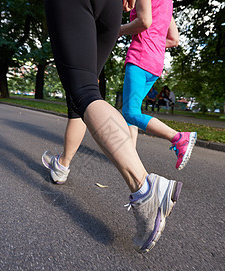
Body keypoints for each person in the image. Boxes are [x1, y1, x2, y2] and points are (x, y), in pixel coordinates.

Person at [42, 0, 183, 253]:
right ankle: (62, 165)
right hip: (112, 8)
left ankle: (145, 188)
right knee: (84, 94)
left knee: (83, 92)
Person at [120, 0, 197, 168]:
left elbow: (144, 22)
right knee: (133, 112)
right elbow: (174, 39)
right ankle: (131, 158)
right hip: (155, 64)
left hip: (140, 57)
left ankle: (178, 137)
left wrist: (118, 31)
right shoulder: (167, 2)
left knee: (129, 112)